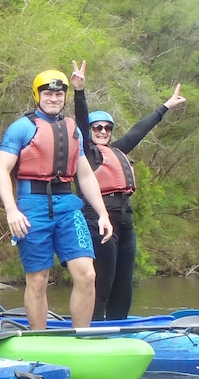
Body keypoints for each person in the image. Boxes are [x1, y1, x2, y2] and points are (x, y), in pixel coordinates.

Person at [0, 69, 114, 330]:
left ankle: (81, 337)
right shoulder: (22, 128)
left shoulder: (74, 130)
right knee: (38, 279)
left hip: (67, 205)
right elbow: (1, 171)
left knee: (87, 273)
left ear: (64, 97)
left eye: (58, 93)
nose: (53, 98)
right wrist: (11, 210)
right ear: (37, 96)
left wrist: (103, 213)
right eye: (47, 93)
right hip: (32, 206)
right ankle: (40, 338)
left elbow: (85, 174)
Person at [71, 61, 187, 320]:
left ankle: (118, 328)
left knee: (123, 286)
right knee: (103, 283)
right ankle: (93, 330)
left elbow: (140, 130)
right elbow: (79, 121)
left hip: (125, 221)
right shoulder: (86, 154)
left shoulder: (118, 149)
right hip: (99, 220)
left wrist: (165, 107)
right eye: (97, 127)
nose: (103, 131)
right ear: (89, 132)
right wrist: (79, 91)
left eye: (107, 128)